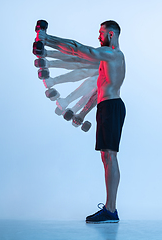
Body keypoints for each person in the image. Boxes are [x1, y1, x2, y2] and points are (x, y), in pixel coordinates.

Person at [36, 20, 126, 223]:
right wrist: (83, 114)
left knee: (110, 157)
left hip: (112, 107)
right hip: (106, 107)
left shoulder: (112, 55)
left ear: (111, 35)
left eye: (101, 33)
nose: (98, 37)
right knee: (106, 157)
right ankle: (110, 209)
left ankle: (111, 210)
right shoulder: (107, 60)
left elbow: (79, 50)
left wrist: (46, 39)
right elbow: (99, 89)